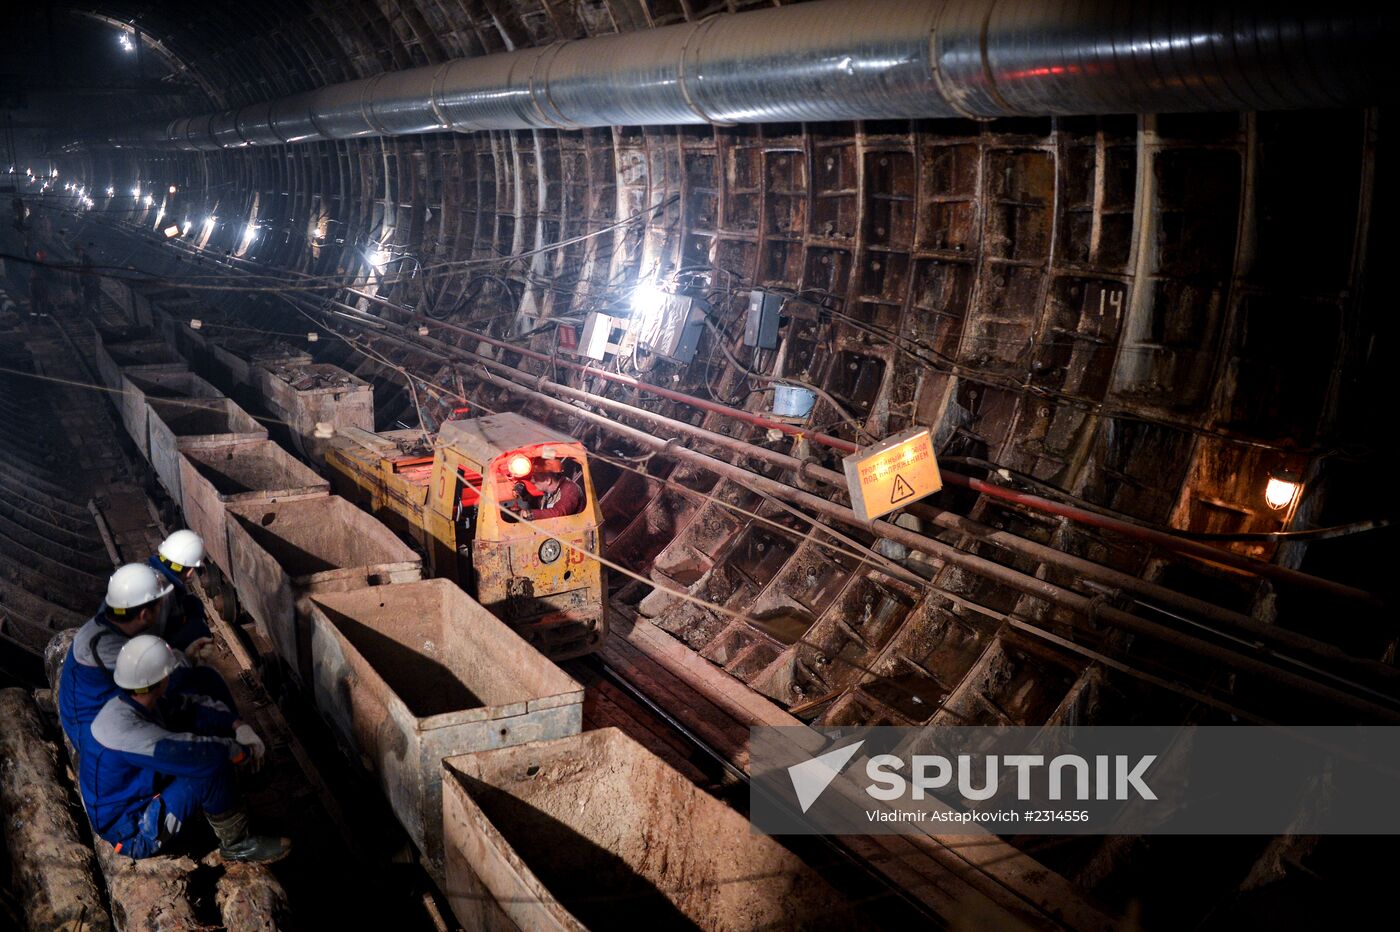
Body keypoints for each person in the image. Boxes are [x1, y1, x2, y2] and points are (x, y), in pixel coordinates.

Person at [79, 635, 289, 862]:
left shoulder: (131, 702)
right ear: (161, 679)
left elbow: (190, 706)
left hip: (134, 799)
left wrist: (237, 725)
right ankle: (238, 844)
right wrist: (245, 752)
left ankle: (230, 806)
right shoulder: (131, 734)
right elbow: (201, 756)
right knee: (209, 767)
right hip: (135, 831)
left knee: (200, 732)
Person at [148, 530, 212, 652]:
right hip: (147, 652)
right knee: (198, 630)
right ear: (190, 571)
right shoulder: (165, 593)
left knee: (191, 603)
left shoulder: (150, 570)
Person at [516, 457, 583, 520]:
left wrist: (529, 513)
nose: (532, 481)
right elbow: (540, 507)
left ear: (548, 480)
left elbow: (559, 513)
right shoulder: (548, 494)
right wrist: (524, 494)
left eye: (536, 478)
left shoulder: (569, 488)